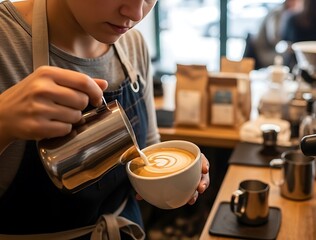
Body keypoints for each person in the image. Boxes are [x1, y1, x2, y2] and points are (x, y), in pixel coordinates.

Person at [0, 0, 210, 239]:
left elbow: (148, 152)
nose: (136, 13)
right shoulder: (5, 40)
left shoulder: (133, 44)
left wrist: (179, 175)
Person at [243, 0, 303, 69]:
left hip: (272, 51)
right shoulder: (277, 13)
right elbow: (273, 38)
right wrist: (287, 45)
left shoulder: (286, 13)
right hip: (265, 52)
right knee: (291, 58)